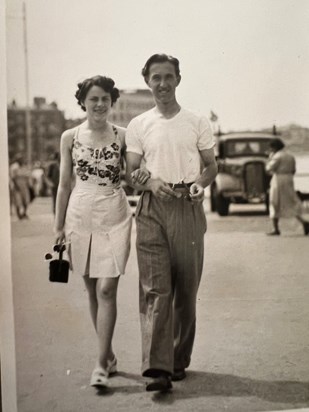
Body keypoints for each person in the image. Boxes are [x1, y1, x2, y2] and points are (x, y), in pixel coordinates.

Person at [125, 53, 218, 392]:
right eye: (155, 78)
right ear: (147, 81)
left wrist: (200, 184)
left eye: (168, 77)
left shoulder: (197, 122)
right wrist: (148, 182)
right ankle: (158, 368)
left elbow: (211, 166)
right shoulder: (138, 125)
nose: (162, 84)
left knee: (185, 291)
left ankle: (177, 360)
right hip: (152, 209)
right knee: (155, 288)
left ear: (178, 79)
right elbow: (132, 170)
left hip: (187, 206)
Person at [53, 75, 148, 388]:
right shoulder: (70, 136)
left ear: (112, 102)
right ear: (83, 102)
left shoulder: (123, 135)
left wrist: (144, 174)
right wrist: (58, 227)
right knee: (93, 289)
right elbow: (64, 184)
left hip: (115, 213)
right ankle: (107, 355)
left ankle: (99, 364)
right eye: (93, 99)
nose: (99, 104)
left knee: (107, 289)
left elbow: (133, 176)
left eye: (104, 99)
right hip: (80, 215)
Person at [266, 138, 309, 236]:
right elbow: (293, 170)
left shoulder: (276, 156)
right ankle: (303, 222)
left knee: (274, 201)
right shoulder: (290, 156)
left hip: (278, 179)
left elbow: (269, 168)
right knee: (290, 202)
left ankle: (275, 228)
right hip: (289, 179)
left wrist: (269, 158)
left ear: (274, 147)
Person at [9, 154, 34, 219]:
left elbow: (28, 176)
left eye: (22, 159)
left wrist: (30, 185)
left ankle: (24, 213)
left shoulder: (24, 166)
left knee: (26, 200)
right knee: (18, 201)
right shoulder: (14, 167)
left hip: (25, 185)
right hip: (17, 186)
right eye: (20, 159)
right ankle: (19, 215)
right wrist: (16, 186)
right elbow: (13, 177)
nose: (21, 160)